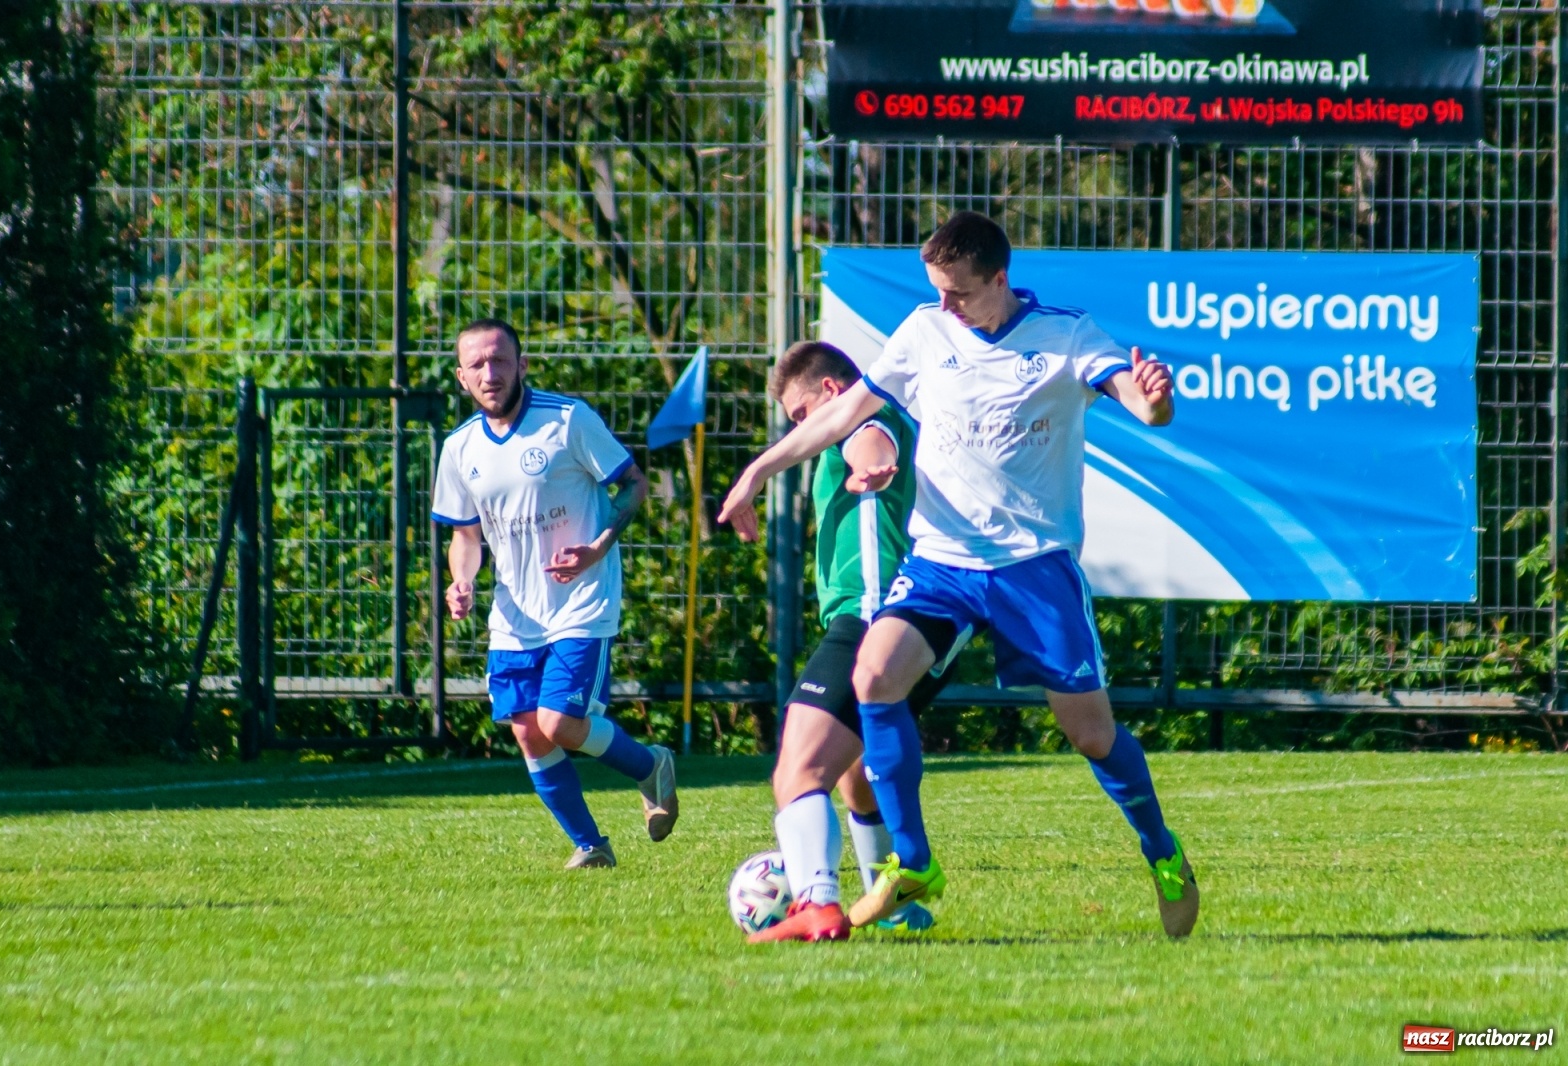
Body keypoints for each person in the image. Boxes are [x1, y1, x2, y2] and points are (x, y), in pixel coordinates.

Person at [719, 211, 1199, 936]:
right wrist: (757, 470)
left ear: (1000, 280)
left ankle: (1162, 852)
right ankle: (912, 862)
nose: (944, 305)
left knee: (1091, 734)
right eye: (936, 290)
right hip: (941, 563)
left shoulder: (1066, 336)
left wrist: (1155, 401)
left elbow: (1142, 403)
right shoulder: (923, 331)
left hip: (1033, 570)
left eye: (959, 292)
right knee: (873, 676)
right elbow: (843, 415)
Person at [433, 317, 678, 870]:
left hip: (581, 601)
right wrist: (463, 579)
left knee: (559, 723)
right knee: (528, 732)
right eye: (477, 365)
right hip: (515, 614)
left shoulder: (567, 420)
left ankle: (649, 765)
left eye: (500, 360)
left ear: (522, 365)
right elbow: (465, 534)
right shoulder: (459, 448)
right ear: (461, 378)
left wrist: (598, 545)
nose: (490, 373)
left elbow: (633, 483)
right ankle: (591, 846)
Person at [745, 341, 952, 943]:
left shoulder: (863, 422)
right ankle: (894, 904)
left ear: (833, 393)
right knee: (854, 775)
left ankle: (817, 902)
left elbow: (871, 441)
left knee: (796, 770)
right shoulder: (869, 421)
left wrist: (869, 464)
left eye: (801, 414)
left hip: (871, 615)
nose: (800, 431)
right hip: (907, 616)